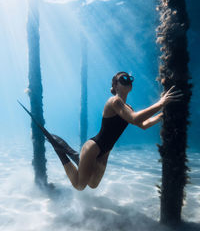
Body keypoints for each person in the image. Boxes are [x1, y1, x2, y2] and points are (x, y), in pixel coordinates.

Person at [19, 71, 182, 191]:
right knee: (80, 185)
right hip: (93, 147)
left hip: (104, 153)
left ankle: (77, 157)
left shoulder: (128, 108)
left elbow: (143, 124)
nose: (127, 80)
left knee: (93, 185)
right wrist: (161, 103)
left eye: (129, 78)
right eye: (122, 78)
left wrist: (162, 116)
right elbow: (135, 119)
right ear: (115, 85)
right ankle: (62, 152)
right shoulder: (114, 101)